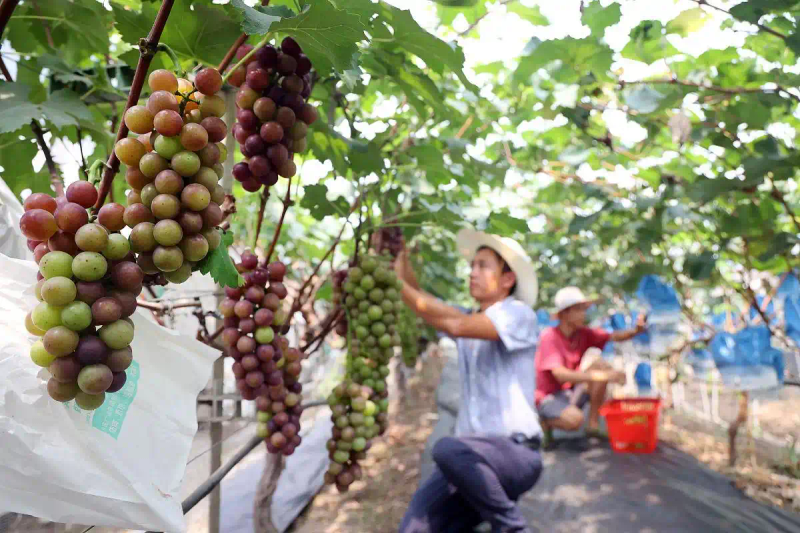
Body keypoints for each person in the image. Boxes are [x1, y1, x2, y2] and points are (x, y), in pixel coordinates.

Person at [395, 228, 542, 533]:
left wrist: (392, 283)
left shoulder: (519, 314)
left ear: (507, 280)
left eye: (483, 266)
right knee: (415, 528)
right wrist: (398, 251)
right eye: (472, 265)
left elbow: (457, 325)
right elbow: (422, 300)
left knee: (446, 448)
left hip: (513, 454)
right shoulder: (467, 317)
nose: (472, 272)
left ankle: (513, 528)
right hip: (469, 462)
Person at [535, 287, 646, 447]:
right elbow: (561, 375)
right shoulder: (549, 337)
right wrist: (605, 376)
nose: (584, 314)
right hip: (548, 397)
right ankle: (544, 422)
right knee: (575, 420)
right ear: (565, 313)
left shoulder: (582, 333)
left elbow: (613, 336)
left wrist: (636, 331)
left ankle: (593, 426)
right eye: (579, 309)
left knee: (601, 365)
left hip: (569, 392)